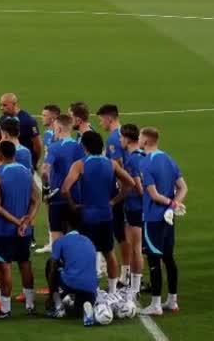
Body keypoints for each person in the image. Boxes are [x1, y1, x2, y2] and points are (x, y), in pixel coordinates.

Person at [61, 130, 137, 302]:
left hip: (87, 216)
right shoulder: (111, 164)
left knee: (88, 254)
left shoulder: (80, 164)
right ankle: (112, 291)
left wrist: (73, 205)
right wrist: (114, 201)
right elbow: (130, 183)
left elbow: (65, 189)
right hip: (106, 214)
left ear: (84, 146)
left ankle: (91, 290)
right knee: (109, 252)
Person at [138, 127, 187, 316]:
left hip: (152, 218)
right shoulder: (168, 159)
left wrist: (170, 204)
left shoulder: (145, 163)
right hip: (168, 219)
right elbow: (183, 188)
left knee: (153, 259)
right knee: (168, 258)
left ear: (147, 141)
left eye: (141, 137)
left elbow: (153, 194)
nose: (139, 140)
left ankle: (156, 304)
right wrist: (174, 206)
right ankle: (172, 301)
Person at [0, 141, 38, 318]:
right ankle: (31, 304)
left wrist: (17, 222)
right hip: (25, 230)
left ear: (0, 156)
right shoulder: (27, 172)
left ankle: (5, 308)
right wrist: (27, 221)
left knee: (5, 267)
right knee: (25, 264)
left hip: (5, 230)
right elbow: (36, 199)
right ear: (15, 155)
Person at [97, 104, 130, 290]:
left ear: (109, 118)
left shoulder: (113, 137)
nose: (100, 122)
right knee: (124, 233)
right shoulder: (123, 133)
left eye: (101, 119)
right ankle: (129, 274)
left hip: (121, 193)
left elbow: (118, 167)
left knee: (122, 233)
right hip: (127, 191)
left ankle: (127, 274)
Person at [47, 216, 102, 326]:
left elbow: (53, 267)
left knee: (50, 265)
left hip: (71, 283)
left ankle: (58, 306)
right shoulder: (88, 240)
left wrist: (50, 297)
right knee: (77, 310)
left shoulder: (60, 241)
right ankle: (87, 307)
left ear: (67, 224)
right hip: (91, 287)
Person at [42, 114, 84, 248]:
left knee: (57, 239)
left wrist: (46, 189)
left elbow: (44, 170)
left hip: (57, 198)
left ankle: (59, 267)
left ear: (59, 128)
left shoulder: (54, 147)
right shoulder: (79, 147)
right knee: (76, 238)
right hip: (76, 198)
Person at [119, 124, 148, 299]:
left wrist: (123, 188)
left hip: (135, 208)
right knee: (136, 247)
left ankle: (135, 288)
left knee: (136, 248)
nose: (120, 141)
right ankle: (133, 284)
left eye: (122, 138)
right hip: (141, 208)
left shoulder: (132, 159)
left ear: (128, 139)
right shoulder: (145, 155)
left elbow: (138, 187)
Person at [34, 104, 61, 254]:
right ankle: (52, 242)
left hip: (57, 178)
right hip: (48, 177)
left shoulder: (58, 135)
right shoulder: (47, 134)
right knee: (49, 207)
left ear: (52, 118)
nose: (41, 118)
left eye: (44, 115)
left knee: (59, 211)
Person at [0, 92, 41, 162]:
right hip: (8, 159)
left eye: (5, 105)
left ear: (15, 104)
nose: (1, 108)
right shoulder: (3, 118)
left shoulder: (28, 121)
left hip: (24, 159)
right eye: (1, 105)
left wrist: (35, 161)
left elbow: (37, 145)